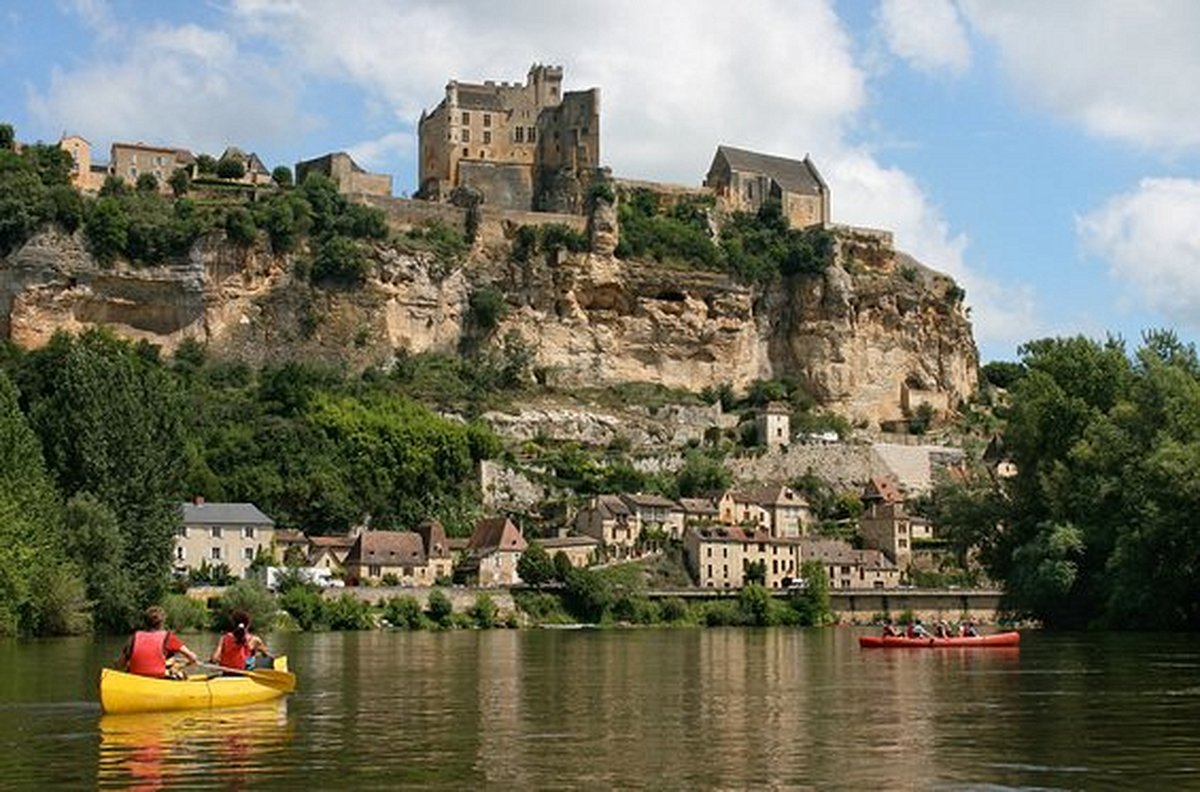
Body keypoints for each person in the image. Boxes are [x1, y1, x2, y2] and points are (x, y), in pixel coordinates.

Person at [118, 605, 199, 678]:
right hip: (158, 678)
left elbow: (120, 664)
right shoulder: (168, 637)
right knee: (179, 672)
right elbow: (192, 657)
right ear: (162, 623)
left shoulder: (134, 637)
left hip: (136, 678)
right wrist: (185, 664)